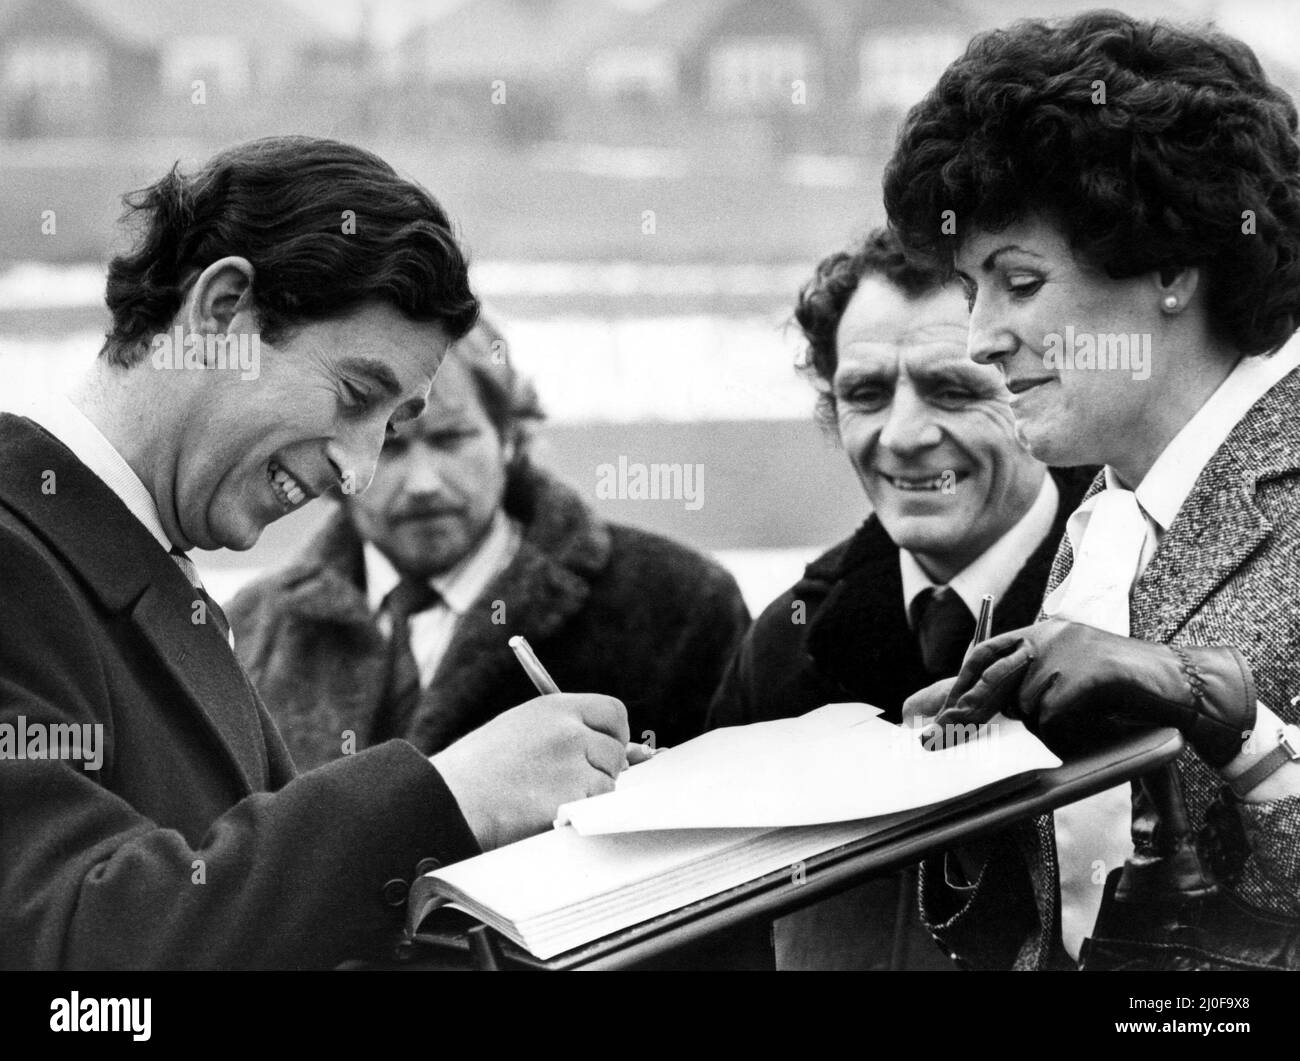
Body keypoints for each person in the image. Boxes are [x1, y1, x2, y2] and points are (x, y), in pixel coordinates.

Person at [0, 136, 631, 970]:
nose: (361, 471)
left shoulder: (138, 569)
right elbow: (70, 945)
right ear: (222, 310)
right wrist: (450, 793)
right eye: (356, 395)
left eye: (394, 425)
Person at [885, 10, 1300, 970]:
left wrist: (1236, 725)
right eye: (969, 289)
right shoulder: (1104, 518)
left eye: (1019, 283)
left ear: (1171, 266)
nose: (981, 334)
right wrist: (968, 794)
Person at [707, 225, 1092, 970]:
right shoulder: (785, 642)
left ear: (1035, 386)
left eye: (952, 388)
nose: (905, 434)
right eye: (865, 393)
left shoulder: (1130, 598)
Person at [227, 316, 750, 769]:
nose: (423, 483)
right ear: (333, 454)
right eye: (389, 445)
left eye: (450, 438)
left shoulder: (678, 604)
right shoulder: (253, 630)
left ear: (508, 436)